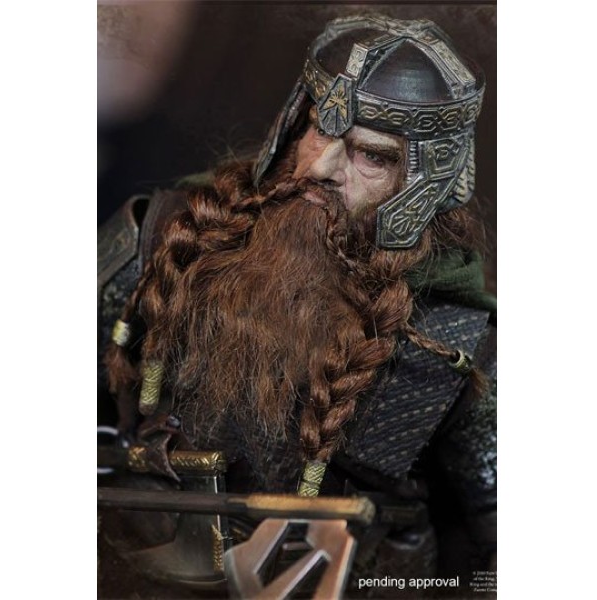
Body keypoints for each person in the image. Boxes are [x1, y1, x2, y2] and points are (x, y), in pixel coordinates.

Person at [98, 14, 496, 599]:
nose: (320, 168)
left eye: (371, 156)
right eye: (318, 129)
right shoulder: (165, 239)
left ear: (424, 182)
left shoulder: (454, 340)